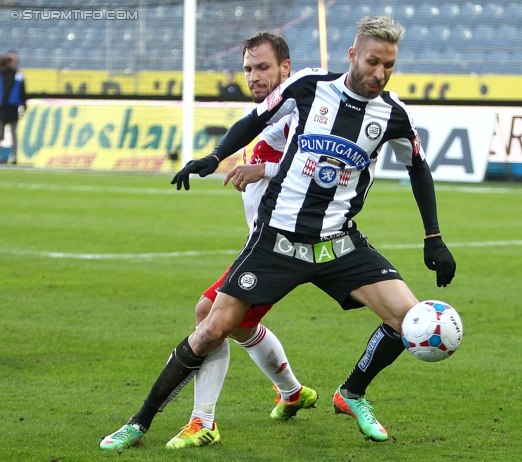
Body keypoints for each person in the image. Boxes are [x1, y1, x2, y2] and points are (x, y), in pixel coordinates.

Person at [109, 15, 456, 447]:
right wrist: (215, 156)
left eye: (389, 65)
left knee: (410, 320)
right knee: (211, 327)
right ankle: (139, 423)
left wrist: (434, 238)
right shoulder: (311, 86)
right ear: (353, 56)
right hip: (278, 241)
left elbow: (418, 169)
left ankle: (351, 393)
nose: (380, 74)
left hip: (339, 244)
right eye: (373, 62)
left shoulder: (392, 115)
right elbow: (254, 121)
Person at [100, 32, 317, 451]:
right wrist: (217, 158)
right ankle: (291, 392)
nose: (254, 77)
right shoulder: (271, 115)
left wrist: (262, 172)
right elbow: (250, 133)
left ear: (286, 68)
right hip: (264, 242)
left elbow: (316, 168)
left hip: (286, 246)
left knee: (211, 316)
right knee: (238, 322)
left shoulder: (304, 113)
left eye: (264, 67)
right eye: (248, 69)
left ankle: (202, 422)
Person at [0, 51, 27, 164]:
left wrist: (23, 107)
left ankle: (14, 156)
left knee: (14, 134)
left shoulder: (19, 76)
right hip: (1, 108)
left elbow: (23, 94)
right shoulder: (2, 74)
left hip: (13, 108)